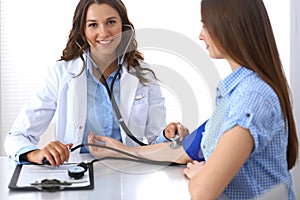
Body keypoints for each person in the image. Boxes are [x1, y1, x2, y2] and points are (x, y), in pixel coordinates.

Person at [87, 0, 299, 199]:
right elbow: (182, 151)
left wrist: (204, 172)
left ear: (228, 27)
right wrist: (120, 150)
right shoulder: (235, 92)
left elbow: (202, 192)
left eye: (205, 26)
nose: (200, 35)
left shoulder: (250, 99)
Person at [4, 0, 172, 166]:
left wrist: (168, 134)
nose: (104, 32)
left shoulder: (143, 75)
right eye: (93, 25)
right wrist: (35, 154)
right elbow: (16, 137)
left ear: (124, 27)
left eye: (111, 22)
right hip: (76, 175)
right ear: (82, 30)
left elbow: (155, 143)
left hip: (129, 173)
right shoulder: (61, 74)